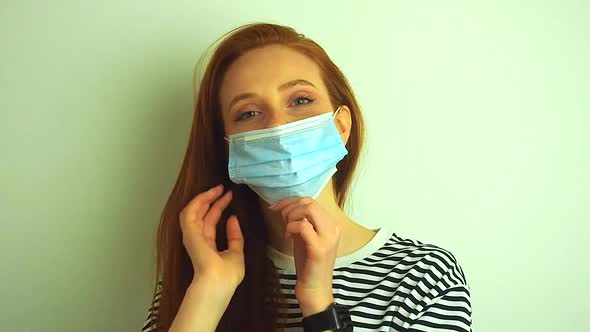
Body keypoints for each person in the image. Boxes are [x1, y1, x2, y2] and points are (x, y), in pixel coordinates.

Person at [140, 22, 472, 332]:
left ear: (341, 126)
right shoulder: (200, 271)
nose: (277, 127)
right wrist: (209, 292)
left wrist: (318, 303)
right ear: (228, 147)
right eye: (249, 113)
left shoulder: (423, 276)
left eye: (300, 100)